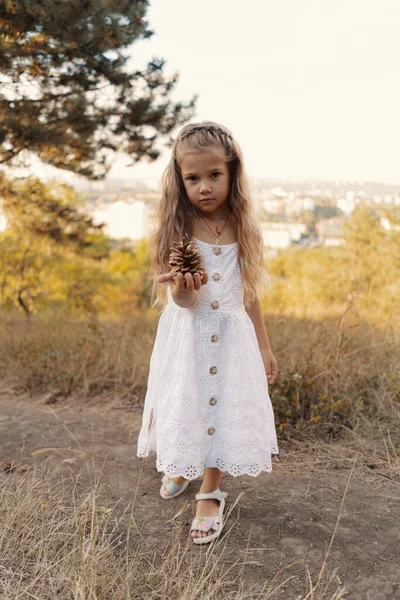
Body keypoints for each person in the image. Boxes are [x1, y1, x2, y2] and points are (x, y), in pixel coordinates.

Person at [137, 121, 279, 545]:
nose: (204, 187)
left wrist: (264, 346)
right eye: (193, 178)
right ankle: (181, 464)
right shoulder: (178, 229)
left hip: (233, 338)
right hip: (189, 336)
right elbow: (180, 302)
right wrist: (183, 291)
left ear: (232, 173)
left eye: (214, 175)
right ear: (180, 180)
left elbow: (249, 293)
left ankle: (210, 491)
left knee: (221, 406)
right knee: (189, 402)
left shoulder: (243, 226)